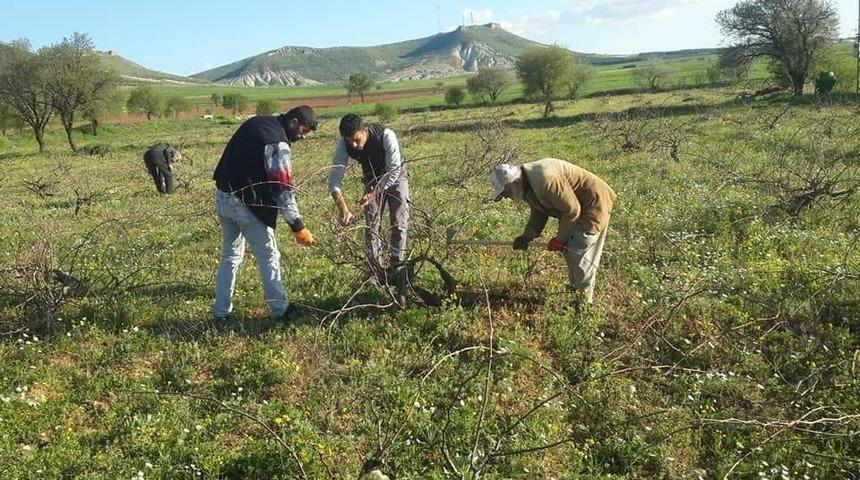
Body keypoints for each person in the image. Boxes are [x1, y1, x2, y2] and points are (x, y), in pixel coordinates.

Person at [212, 105, 318, 320]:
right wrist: (297, 226)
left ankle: (221, 312)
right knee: (269, 256)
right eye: (303, 131)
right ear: (294, 123)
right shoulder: (277, 142)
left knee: (230, 256)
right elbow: (282, 188)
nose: (303, 137)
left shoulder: (258, 122)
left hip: (223, 197)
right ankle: (281, 310)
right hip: (245, 204)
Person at [490, 158, 616, 304]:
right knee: (570, 249)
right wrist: (527, 236)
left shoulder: (545, 179)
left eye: (505, 191)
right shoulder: (526, 185)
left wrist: (560, 240)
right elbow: (539, 211)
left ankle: (584, 303)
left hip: (593, 203)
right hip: (577, 206)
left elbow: (572, 210)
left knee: (578, 248)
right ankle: (577, 291)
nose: (506, 197)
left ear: (515, 182)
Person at [328, 113, 410, 284]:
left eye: (356, 140)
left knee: (399, 222)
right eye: (349, 141)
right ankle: (376, 270)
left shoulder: (386, 136)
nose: (353, 145)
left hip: (396, 176)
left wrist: (374, 193)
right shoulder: (344, 144)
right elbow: (335, 177)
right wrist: (342, 207)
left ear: (364, 130)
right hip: (371, 179)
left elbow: (393, 170)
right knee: (371, 225)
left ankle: (397, 266)